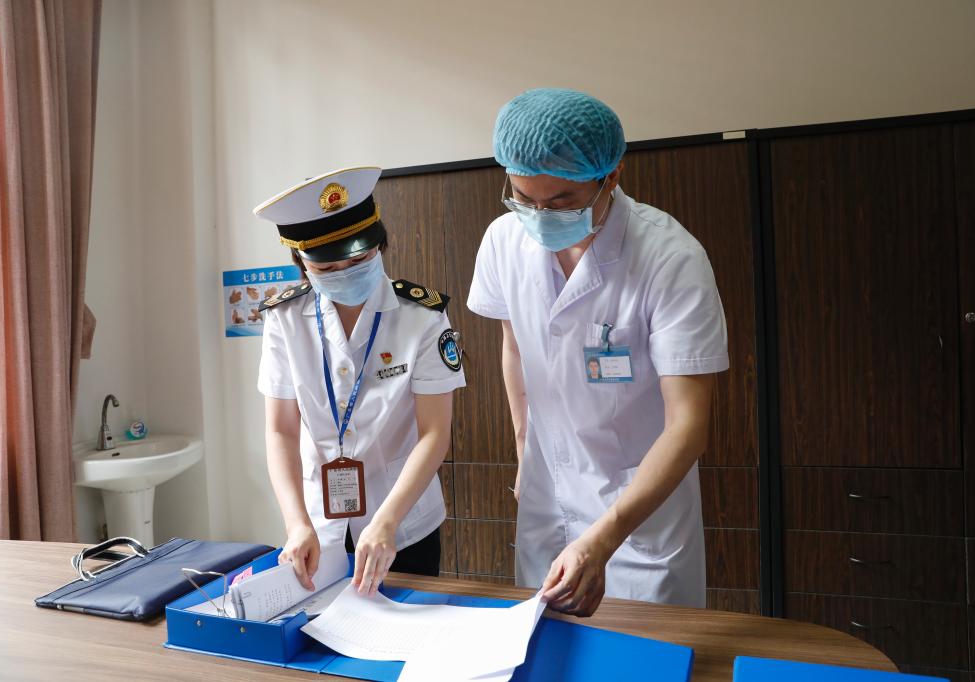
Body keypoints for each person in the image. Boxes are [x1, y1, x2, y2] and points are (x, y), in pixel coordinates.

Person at [467, 89, 729, 616]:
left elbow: (688, 426)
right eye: (523, 198)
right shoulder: (503, 240)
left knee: (641, 650)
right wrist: (524, 448)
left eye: (562, 201)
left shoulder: (670, 259)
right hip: (547, 502)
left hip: (637, 515)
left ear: (610, 177)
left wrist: (604, 537)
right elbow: (515, 347)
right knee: (547, 648)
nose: (539, 216)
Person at [255, 167, 465, 595]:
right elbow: (280, 430)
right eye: (328, 266)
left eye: (359, 259)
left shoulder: (422, 316)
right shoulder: (284, 319)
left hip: (404, 523)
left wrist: (387, 520)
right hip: (319, 524)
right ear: (302, 264)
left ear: (379, 244)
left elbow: (434, 432)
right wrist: (296, 523)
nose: (346, 271)